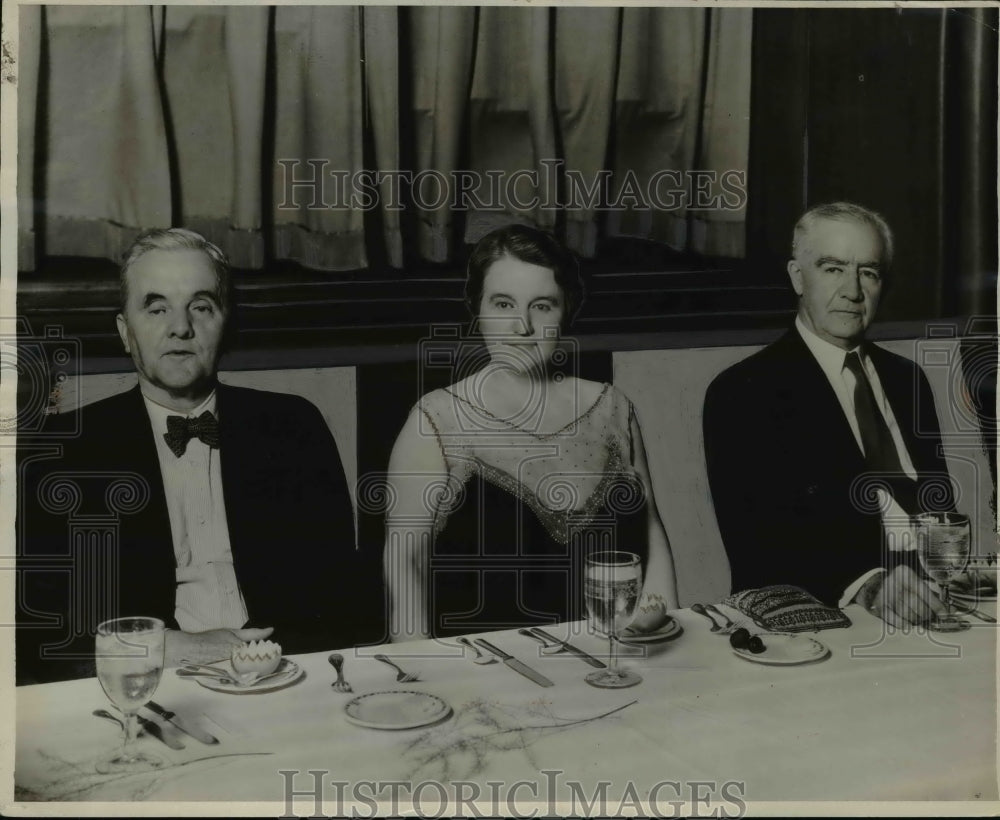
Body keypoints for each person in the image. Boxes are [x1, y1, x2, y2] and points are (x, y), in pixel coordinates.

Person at [17, 228, 361, 683]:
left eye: (201, 306)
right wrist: (161, 648)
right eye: (156, 308)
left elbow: (341, 601)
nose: (180, 327)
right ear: (125, 331)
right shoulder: (61, 451)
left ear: (226, 322)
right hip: (144, 682)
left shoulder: (294, 427)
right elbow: (37, 633)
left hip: (286, 676)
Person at [383, 224, 678, 641]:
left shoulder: (613, 408)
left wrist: (655, 633)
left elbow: (651, 536)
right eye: (503, 304)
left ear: (566, 312)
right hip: (486, 675)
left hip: (615, 661)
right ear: (477, 308)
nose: (521, 327)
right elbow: (405, 564)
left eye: (542, 306)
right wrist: (420, 673)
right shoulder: (435, 420)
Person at [703, 202, 955, 626]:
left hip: (927, 606)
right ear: (797, 277)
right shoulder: (741, 393)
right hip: (816, 622)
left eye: (868, 272)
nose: (853, 290)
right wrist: (871, 585)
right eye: (833, 268)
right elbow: (759, 551)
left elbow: (939, 514)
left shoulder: (908, 381)